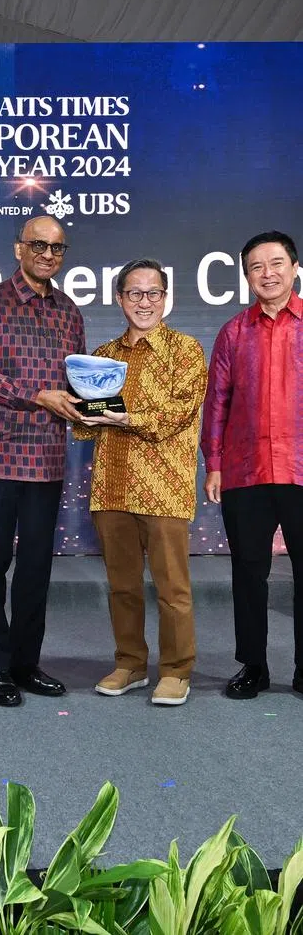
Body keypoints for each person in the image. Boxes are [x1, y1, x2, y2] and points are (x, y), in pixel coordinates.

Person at [0, 216, 86, 706]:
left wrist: (90, 409)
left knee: (36, 569)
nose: (48, 254)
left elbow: (74, 385)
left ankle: (25, 663)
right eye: (38, 245)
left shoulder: (70, 312)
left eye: (57, 248)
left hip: (48, 458)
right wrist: (38, 396)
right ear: (19, 249)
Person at [73, 259, 207, 706]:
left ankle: (176, 670)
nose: (144, 302)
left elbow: (179, 414)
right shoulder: (103, 357)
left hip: (165, 488)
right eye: (134, 293)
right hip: (112, 485)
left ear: (165, 298)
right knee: (123, 586)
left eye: (153, 293)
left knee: (173, 589)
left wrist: (127, 417)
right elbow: (88, 426)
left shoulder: (186, 351)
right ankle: (130, 663)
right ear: (120, 299)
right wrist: (78, 407)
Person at [202, 230, 303, 699]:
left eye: (276, 263)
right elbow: (216, 402)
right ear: (246, 277)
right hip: (245, 471)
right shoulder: (233, 332)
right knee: (248, 571)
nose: (268, 273)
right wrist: (214, 463)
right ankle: (253, 665)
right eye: (257, 267)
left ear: (295, 268)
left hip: (300, 470)